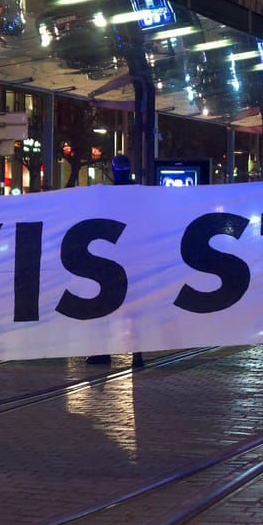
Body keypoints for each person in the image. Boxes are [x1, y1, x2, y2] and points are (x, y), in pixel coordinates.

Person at [89, 154, 146, 369]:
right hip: (134, 256)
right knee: (135, 310)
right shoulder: (138, 193)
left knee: (102, 305)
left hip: (112, 256)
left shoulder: (107, 194)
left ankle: (102, 353)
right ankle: (137, 354)